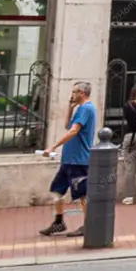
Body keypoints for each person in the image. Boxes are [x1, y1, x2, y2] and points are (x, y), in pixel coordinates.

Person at [40, 81, 98, 236]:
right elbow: (67, 125)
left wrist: (53, 147)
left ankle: (89, 225)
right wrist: (70, 108)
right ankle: (58, 222)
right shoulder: (79, 109)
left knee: (82, 194)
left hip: (79, 160)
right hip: (68, 160)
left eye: (74, 92)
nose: (71, 95)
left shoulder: (86, 108)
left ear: (82, 93)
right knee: (57, 191)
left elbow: (73, 131)